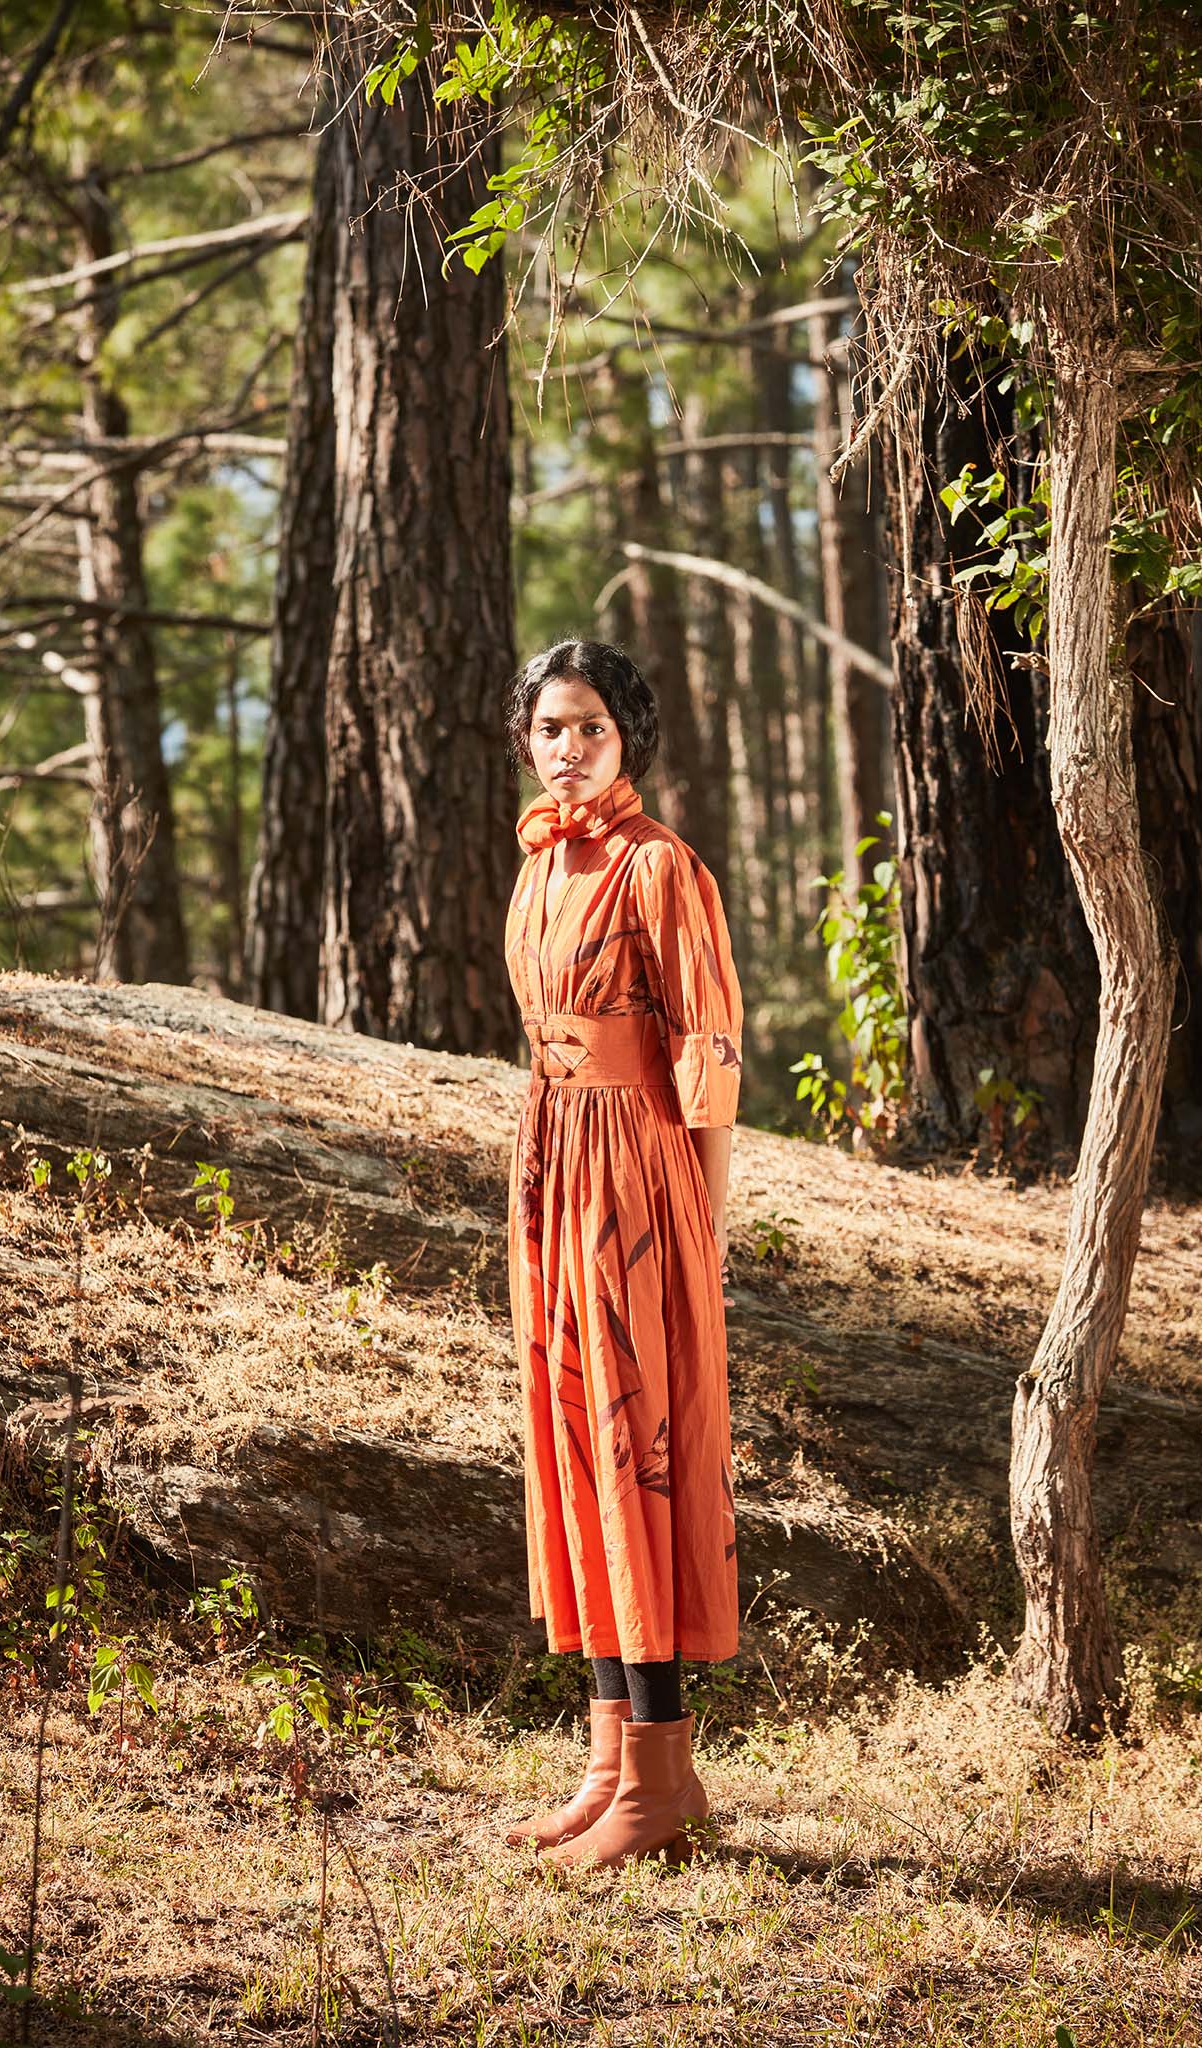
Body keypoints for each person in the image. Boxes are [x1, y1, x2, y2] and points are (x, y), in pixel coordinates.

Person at [501, 639, 744, 1871]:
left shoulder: (661, 866)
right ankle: (613, 1765)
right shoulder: (540, 865)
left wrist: (701, 1217)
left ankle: (662, 1777)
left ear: (628, 737)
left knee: (634, 1437)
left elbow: (708, 1049)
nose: (568, 747)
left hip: (636, 1174)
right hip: (551, 1161)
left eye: (590, 726)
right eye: (550, 727)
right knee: (573, 1436)